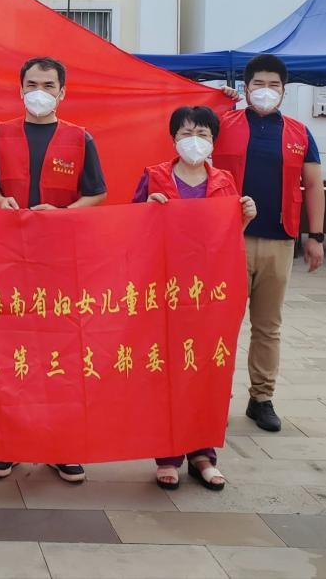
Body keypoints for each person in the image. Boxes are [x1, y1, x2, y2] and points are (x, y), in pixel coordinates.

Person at [0, 56, 107, 484]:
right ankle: (8, 443)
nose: (39, 92)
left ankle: (60, 446)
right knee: (10, 350)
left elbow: (96, 194)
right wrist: (0, 201)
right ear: (20, 89)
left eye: (48, 85)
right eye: (32, 84)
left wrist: (64, 214)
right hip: (9, 257)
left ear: (62, 92)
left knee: (60, 353)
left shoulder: (80, 138)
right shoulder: (0, 134)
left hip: (60, 261)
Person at [132, 105, 257, 492]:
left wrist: (245, 216)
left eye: (202, 134)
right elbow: (129, 227)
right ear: (173, 138)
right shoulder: (154, 176)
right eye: (186, 133)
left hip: (210, 291)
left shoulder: (224, 180)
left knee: (207, 368)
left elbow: (228, 234)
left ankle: (203, 453)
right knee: (168, 368)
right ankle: (168, 454)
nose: (194, 141)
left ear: (213, 141)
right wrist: (147, 210)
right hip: (165, 287)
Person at [214, 54, 324, 433]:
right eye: (258, 84)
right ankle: (212, 397)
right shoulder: (222, 123)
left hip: (279, 239)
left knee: (268, 326)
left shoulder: (299, 133)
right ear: (245, 89)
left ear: (284, 90)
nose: (265, 91)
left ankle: (261, 398)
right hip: (229, 240)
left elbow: (313, 185)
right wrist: (215, 100)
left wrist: (315, 237)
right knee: (221, 324)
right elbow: (187, 132)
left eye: (273, 85)